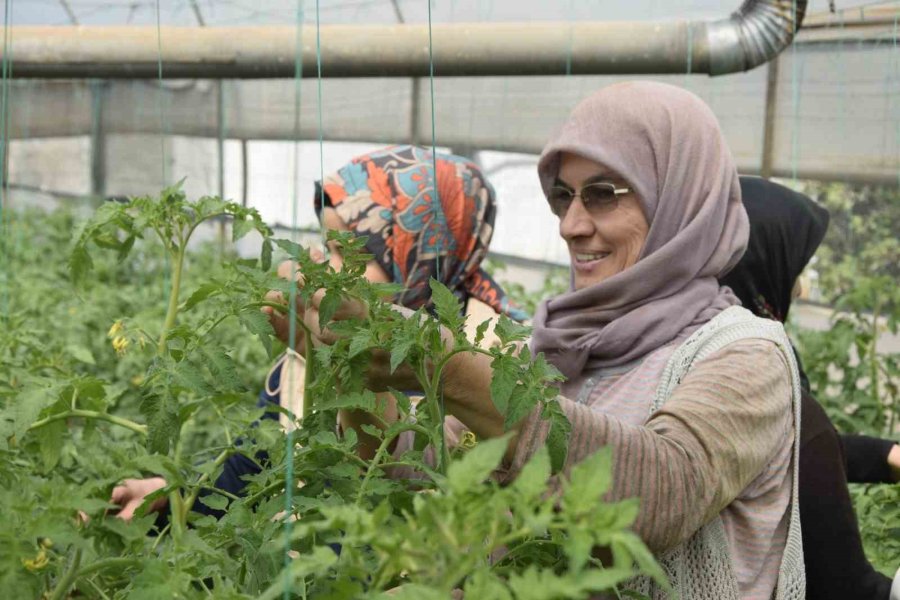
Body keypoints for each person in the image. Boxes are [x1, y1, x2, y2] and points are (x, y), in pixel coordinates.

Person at [297, 82, 804, 599]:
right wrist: (348, 359)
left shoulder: (745, 354)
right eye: (563, 196)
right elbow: (415, 470)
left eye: (603, 194)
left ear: (679, 196)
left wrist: (448, 368)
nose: (571, 225)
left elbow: (661, 494)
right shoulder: (548, 348)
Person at [109, 144, 525, 520]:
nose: (327, 267)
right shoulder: (305, 359)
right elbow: (249, 475)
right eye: (327, 247)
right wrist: (174, 498)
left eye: (347, 251)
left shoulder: (494, 370)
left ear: (422, 252)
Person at [722, 175, 900, 600]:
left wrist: (886, 456)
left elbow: (794, 447)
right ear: (765, 258)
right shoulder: (762, 371)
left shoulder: (713, 344)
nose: (801, 285)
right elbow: (844, 586)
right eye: (796, 263)